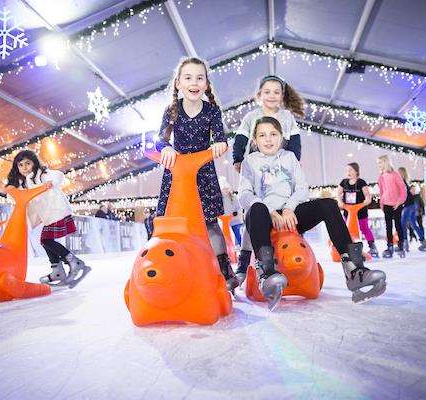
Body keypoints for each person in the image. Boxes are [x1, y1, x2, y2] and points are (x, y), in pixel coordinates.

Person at [238, 116, 387, 308]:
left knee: (328, 205)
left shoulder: (289, 157)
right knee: (256, 208)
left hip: (291, 214)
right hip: (264, 216)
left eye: (273, 134)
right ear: (255, 141)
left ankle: (354, 270)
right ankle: (266, 273)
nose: (268, 139)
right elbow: (244, 195)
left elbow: (301, 188)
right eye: (262, 135)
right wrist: (271, 212)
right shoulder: (249, 162)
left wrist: (290, 209)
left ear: (281, 137)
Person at [154, 56, 236, 292]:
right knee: (171, 221)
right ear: (178, 83)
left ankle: (224, 269)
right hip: (177, 175)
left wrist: (220, 144)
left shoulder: (212, 111)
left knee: (210, 223)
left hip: (203, 173)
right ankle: (169, 265)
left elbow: (220, 138)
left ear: (206, 84)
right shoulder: (172, 110)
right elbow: (160, 139)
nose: (194, 82)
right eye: (188, 77)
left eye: (200, 78)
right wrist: (166, 147)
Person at [231, 75, 306, 282]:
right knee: (253, 216)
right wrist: (238, 159)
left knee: (291, 214)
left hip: (280, 173)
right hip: (258, 172)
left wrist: (293, 162)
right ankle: (244, 262)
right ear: (259, 95)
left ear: (282, 96)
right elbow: (241, 139)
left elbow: (295, 141)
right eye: (267, 92)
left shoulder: (287, 117)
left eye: (276, 92)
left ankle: (295, 252)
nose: (271, 96)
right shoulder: (251, 117)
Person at [6, 150, 90, 288]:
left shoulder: (41, 174)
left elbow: (58, 175)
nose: (25, 167)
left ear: (34, 163)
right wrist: (12, 191)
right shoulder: (23, 183)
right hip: (48, 216)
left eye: (28, 163)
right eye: (20, 165)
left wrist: (50, 183)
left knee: (46, 240)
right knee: (45, 241)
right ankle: (58, 271)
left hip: (56, 210)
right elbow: (18, 197)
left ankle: (75, 262)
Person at [336, 162, 379, 257]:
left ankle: (372, 247)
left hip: (360, 211)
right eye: (347, 170)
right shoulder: (343, 182)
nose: (348, 172)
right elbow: (338, 194)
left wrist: (364, 203)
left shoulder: (361, 182)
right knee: (347, 229)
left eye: (350, 170)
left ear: (356, 171)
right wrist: (340, 202)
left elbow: (367, 196)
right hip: (348, 211)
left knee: (364, 228)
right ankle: (348, 248)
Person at [377, 155, 407, 258]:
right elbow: (381, 191)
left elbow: (403, 189)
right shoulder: (381, 177)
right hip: (386, 204)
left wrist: (399, 202)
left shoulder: (395, 175)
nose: (379, 165)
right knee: (388, 226)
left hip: (396, 204)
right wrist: (381, 203)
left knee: (398, 225)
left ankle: (401, 245)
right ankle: (389, 247)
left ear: (385, 162)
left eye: (380, 162)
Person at [398, 167, 426, 252]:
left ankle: (405, 243)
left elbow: (403, 195)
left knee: (402, 223)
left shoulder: (402, 183)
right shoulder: (404, 183)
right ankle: (423, 242)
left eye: (399, 173)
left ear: (402, 174)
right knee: (414, 224)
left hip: (409, 205)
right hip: (411, 205)